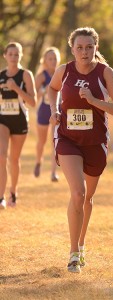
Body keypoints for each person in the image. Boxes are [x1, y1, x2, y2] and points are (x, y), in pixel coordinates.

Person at [48, 27, 113, 273]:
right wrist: (54, 110)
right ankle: (74, 254)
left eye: (89, 47)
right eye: (80, 48)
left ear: (96, 48)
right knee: (78, 193)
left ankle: (82, 244)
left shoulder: (106, 73)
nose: (84, 52)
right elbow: (52, 89)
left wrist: (94, 101)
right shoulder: (64, 71)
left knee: (88, 198)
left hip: (95, 143)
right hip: (67, 139)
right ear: (72, 49)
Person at [0, 42, 37, 209]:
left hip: (20, 121)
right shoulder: (0, 75)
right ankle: (0, 197)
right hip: (3, 120)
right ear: (5, 56)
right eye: (11, 54)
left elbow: (33, 102)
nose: (13, 57)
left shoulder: (25, 75)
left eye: (17, 54)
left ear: (21, 56)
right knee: (1, 157)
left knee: (14, 159)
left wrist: (16, 88)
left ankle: (13, 192)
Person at [33, 47, 61, 182]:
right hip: (44, 111)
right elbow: (33, 98)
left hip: (57, 111)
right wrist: (43, 92)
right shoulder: (41, 76)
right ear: (45, 61)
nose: (53, 61)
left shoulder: (61, 73)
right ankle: (38, 161)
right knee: (42, 141)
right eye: (50, 59)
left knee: (55, 142)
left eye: (55, 58)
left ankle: (53, 173)